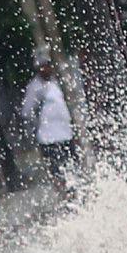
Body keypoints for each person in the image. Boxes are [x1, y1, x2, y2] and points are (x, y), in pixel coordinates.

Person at [19, 55, 79, 199]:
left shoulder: (55, 83)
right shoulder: (34, 88)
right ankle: (63, 195)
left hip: (65, 133)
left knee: (70, 165)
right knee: (56, 169)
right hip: (48, 137)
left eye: (48, 65)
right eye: (43, 66)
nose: (47, 69)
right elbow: (26, 111)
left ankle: (74, 193)